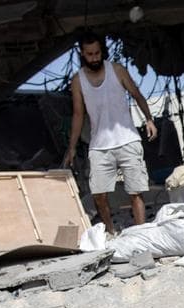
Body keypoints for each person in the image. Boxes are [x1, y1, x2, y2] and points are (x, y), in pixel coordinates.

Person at [62, 30, 158, 234]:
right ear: (82, 54)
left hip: (128, 140)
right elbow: (78, 115)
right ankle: (111, 232)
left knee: (135, 191)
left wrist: (149, 119)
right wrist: (71, 148)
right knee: (98, 193)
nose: (95, 58)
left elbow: (137, 94)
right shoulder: (78, 81)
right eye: (90, 54)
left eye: (97, 53)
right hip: (99, 145)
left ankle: (141, 234)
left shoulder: (117, 70)